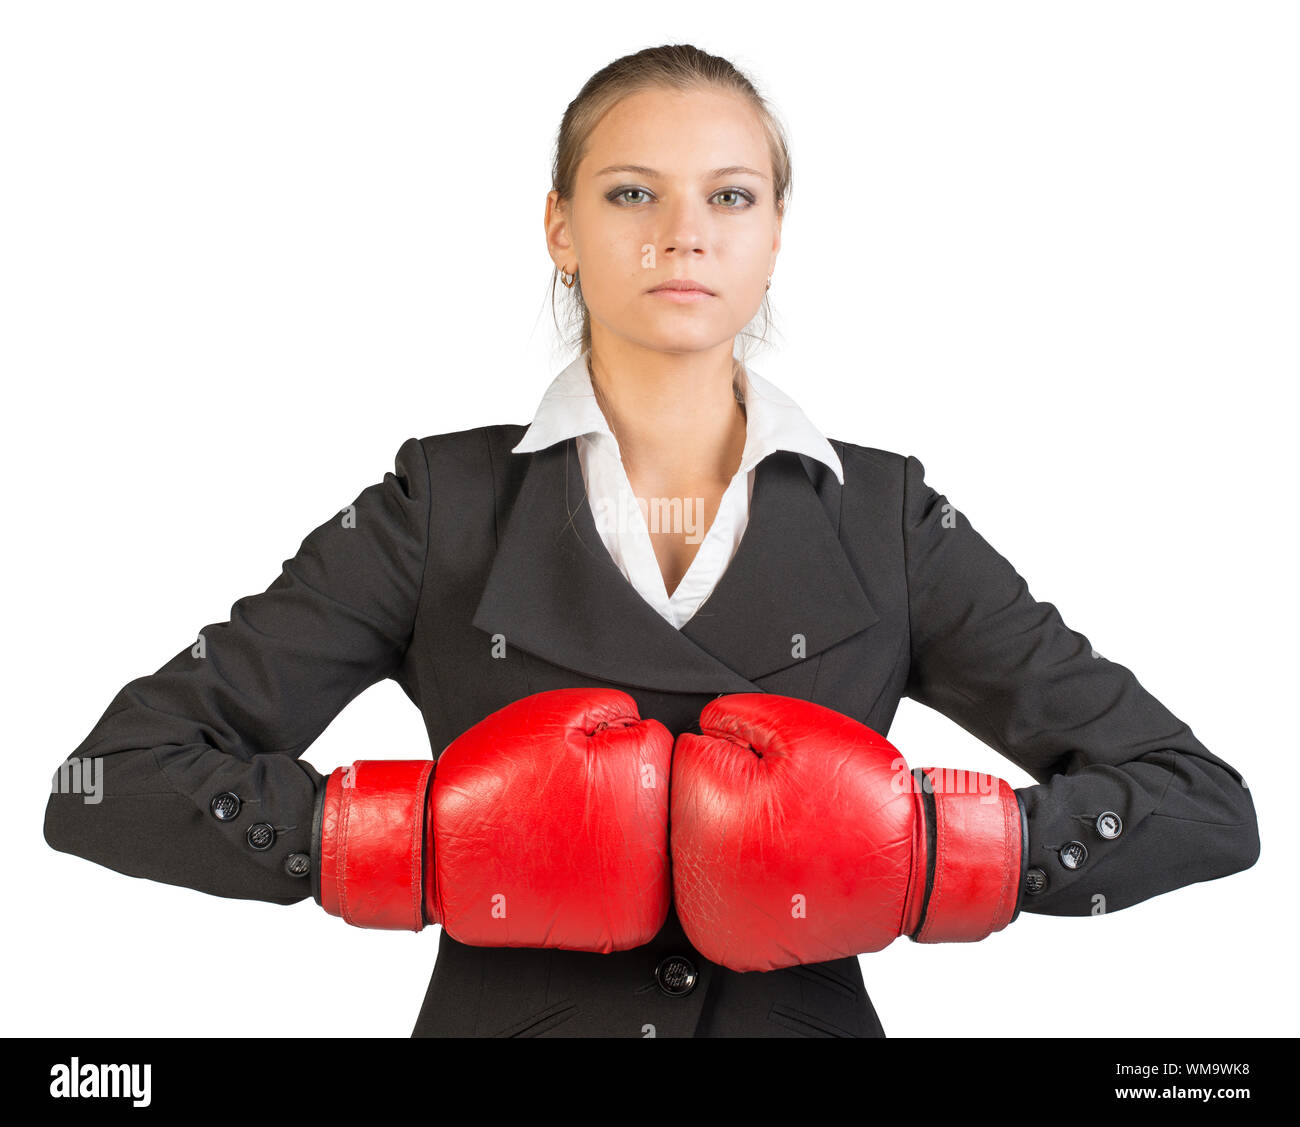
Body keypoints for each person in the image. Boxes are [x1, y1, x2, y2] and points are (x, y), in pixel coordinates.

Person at [43, 43, 1259, 1038]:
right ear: (561, 228)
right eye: (632, 192)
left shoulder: (888, 520)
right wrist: (412, 843)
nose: (684, 232)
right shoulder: (438, 503)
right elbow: (101, 784)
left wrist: (928, 857)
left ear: (775, 232)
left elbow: (1203, 804)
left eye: (729, 195)